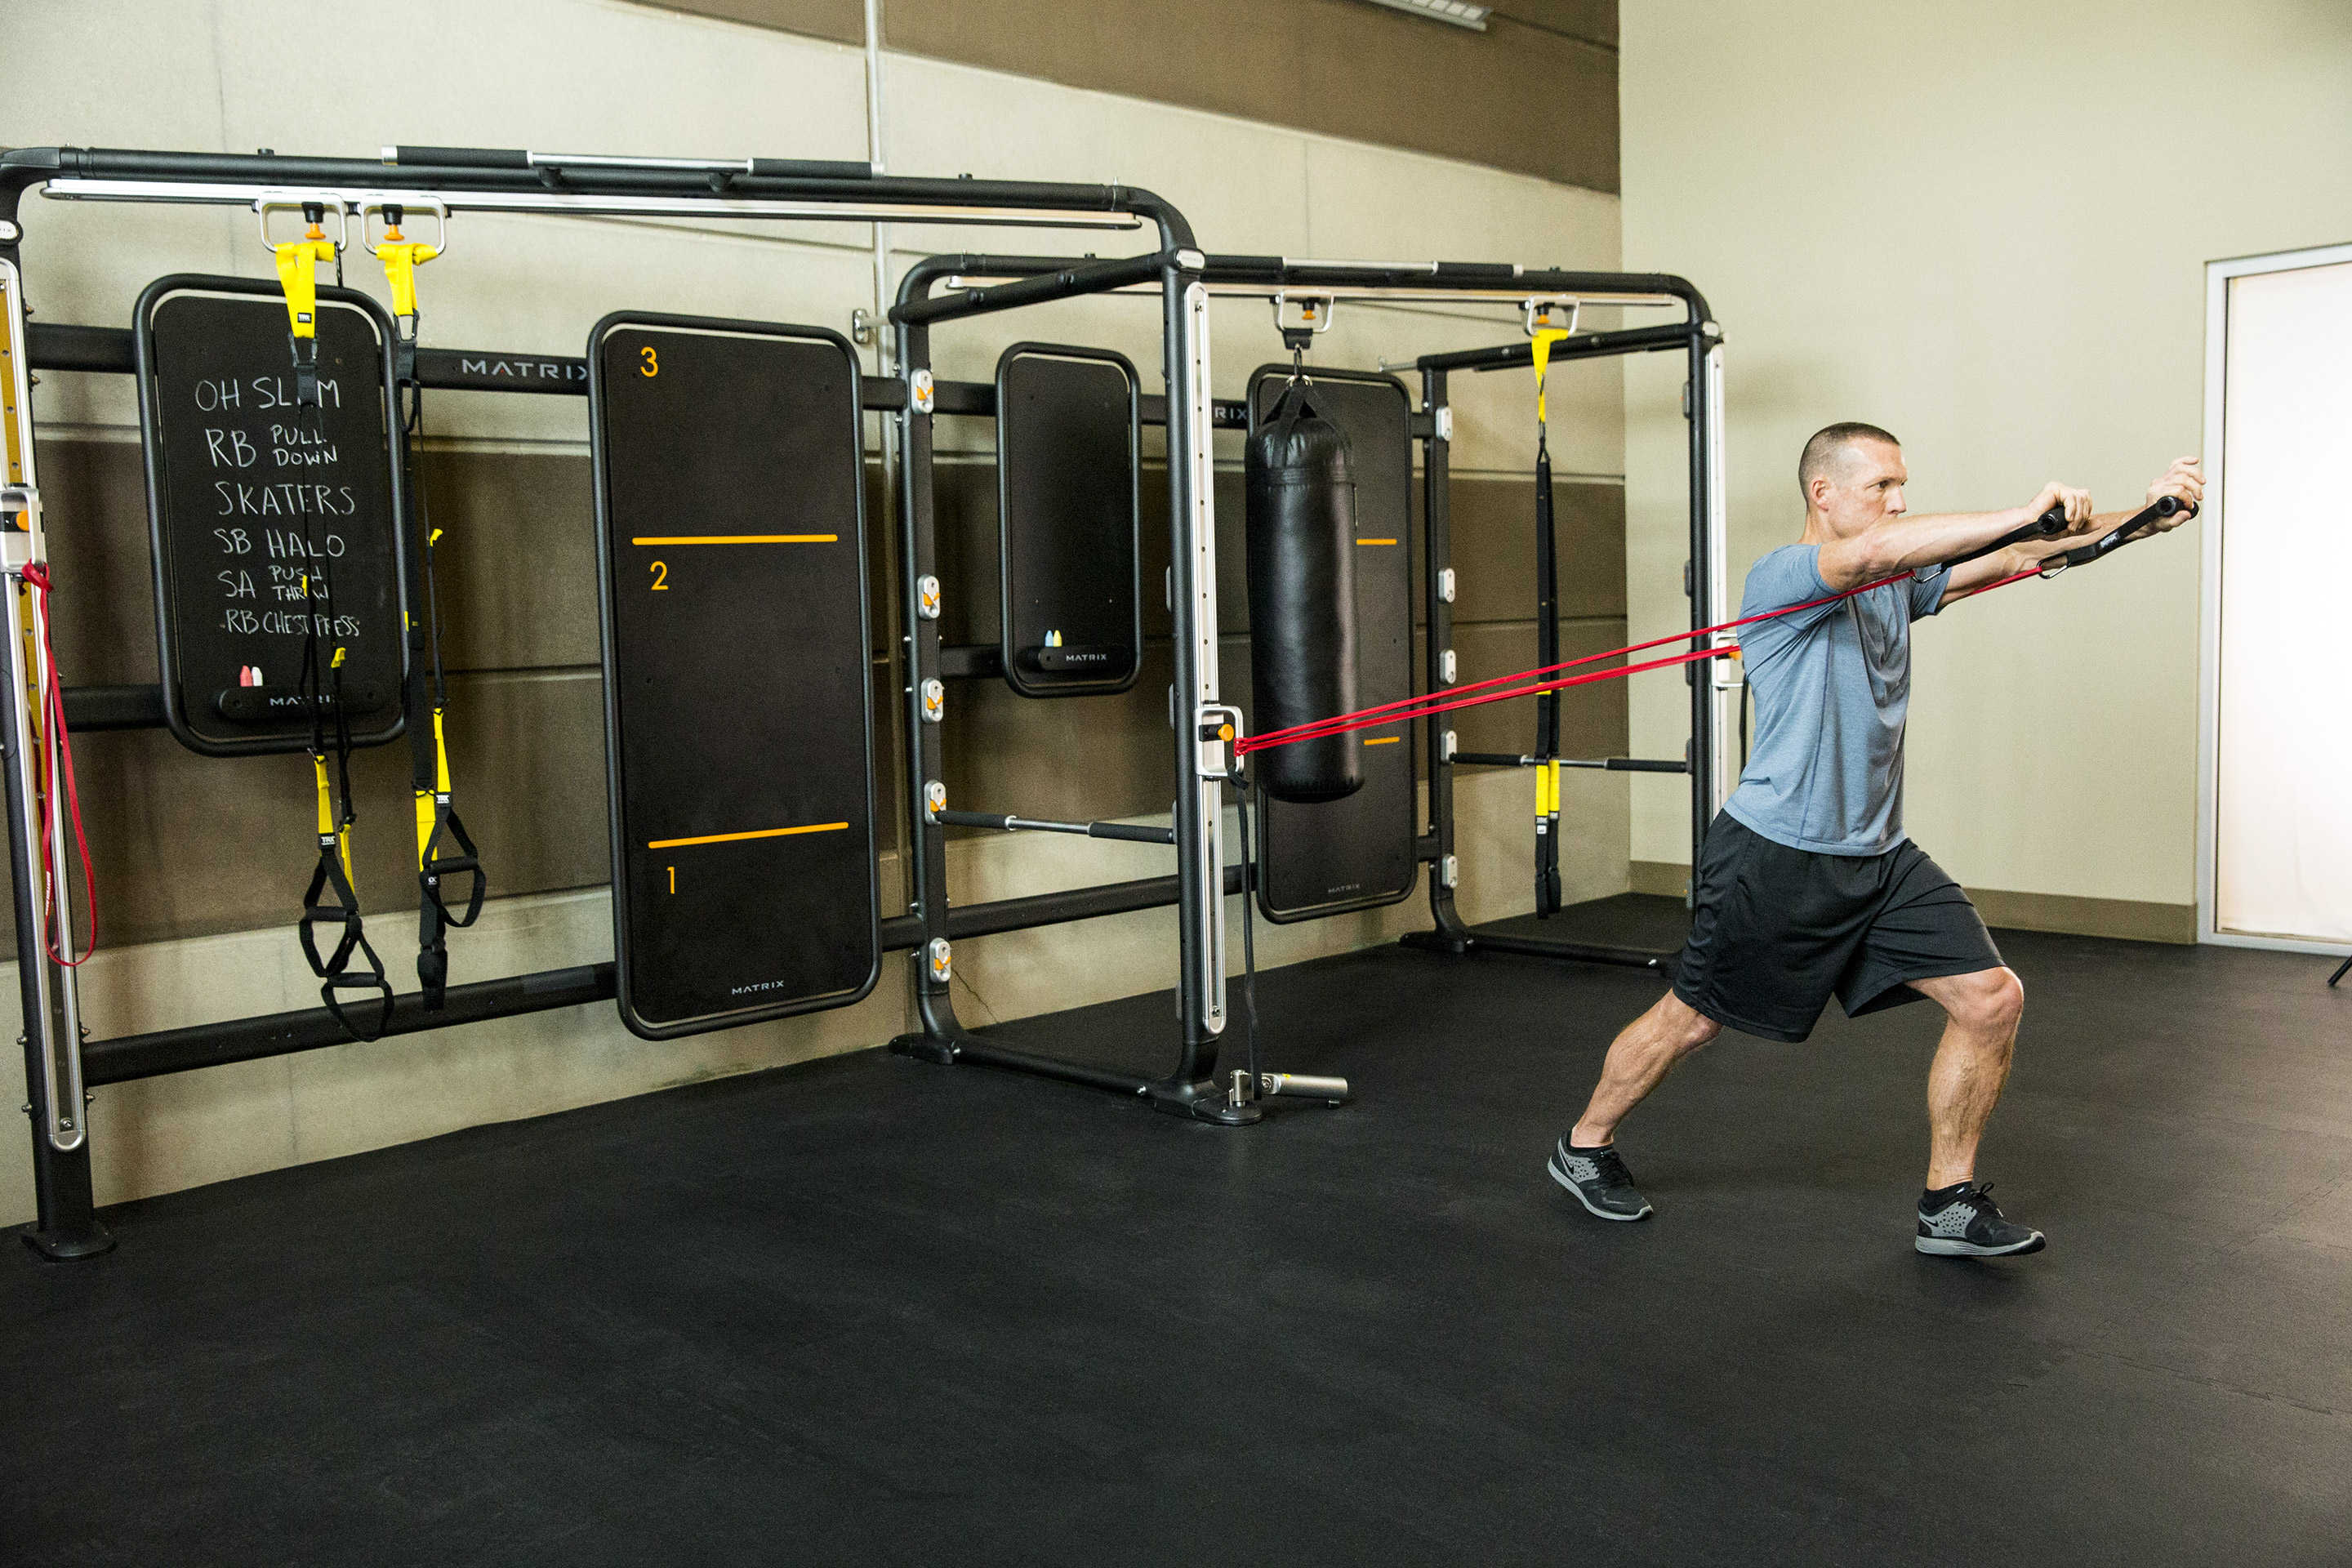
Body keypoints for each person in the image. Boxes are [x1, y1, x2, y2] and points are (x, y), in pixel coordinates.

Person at [1548, 423, 2203, 1256]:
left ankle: (1949, 1204)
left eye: (1902, 486)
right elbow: (1878, 555)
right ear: (1823, 493)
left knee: (1991, 998)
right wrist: (2024, 509)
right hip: (1774, 855)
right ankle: (1585, 1144)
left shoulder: (1895, 582)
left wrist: (2144, 515)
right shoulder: (1787, 573)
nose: (1897, 500)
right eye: (1880, 486)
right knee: (1694, 1020)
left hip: (1880, 856)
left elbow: (2009, 560)